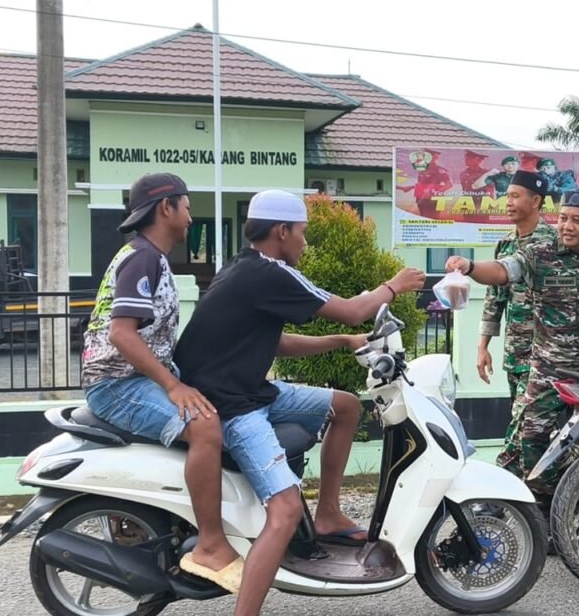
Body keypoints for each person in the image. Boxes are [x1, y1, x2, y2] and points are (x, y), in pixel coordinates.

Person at [173, 189, 426, 616]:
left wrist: (341, 342)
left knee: (344, 406)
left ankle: (328, 514)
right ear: (282, 231)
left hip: (248, 388)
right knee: (286, 510)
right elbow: (351, 309)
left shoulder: (242, 268)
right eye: (303, 233)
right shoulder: (271, 272)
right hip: (233, 406)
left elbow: (273, 343)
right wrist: (393, 286)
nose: (305, 243)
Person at [79, 173, 242, 591]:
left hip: (131, 377)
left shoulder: (149, 257)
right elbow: (121, 333)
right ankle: (210, 544)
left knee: (219, 406)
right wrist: (174, 386)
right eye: (187, 207)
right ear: (165, 208)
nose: (191, 217)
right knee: (205, 426)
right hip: (117, 383)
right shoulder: (143, 257)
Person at [447, 189, 579, 507]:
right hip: (548, 370)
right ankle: (543, 505)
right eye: (563, 218)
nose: (567, 226)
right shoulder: (538, 254)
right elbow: (501, 271)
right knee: (531, 438)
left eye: (577, 220)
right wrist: (469, 266)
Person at [477, 171, 558, 462]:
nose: (507, 202)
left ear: (536, 201)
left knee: (525, 424)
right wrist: (483, 346)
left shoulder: (554, 243)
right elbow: (495, 297)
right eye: (507, 195)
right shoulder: (506, 244)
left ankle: (503, 490)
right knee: (525, 423)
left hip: (546, 354)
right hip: (515, 352)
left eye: (515, 196)